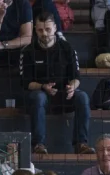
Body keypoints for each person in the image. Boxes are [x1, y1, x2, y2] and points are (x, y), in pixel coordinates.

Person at [21, 14, 91, 155]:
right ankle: (38, 144)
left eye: (48, 29)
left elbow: (76, 77)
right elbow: (25, 83)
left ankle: (81, 143)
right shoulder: (28, 51)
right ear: (35, 30)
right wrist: (42, 87)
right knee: (38, 97)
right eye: (40, 30)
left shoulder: (67, 48)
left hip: (64, 95)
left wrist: (72, 87)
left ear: (55, 28)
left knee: (82, 97)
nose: (44, 34)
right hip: (41, 96)